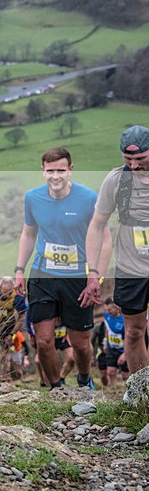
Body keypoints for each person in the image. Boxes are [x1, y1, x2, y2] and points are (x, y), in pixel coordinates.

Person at [14, 148, 112, 390]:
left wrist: (95, 277)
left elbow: (106, 239)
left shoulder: (89, 198)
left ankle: (83, 378)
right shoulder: (32, 198)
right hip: (42, 275)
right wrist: (19, 269)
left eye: (60, 170)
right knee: (44, 341)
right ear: (42, 171)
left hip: (77, 277)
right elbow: (28, 233)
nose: (55, 176)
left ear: (70, 170)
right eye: (50, 171)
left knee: (80, 344)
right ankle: (56, 388)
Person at [81, 125, 149, 377]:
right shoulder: (116, 180)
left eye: (140, 158)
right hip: (132, 268)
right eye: (128, 159)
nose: (133, 164)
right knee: (133, 332)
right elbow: (97, 226)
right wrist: (93, 272)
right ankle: (143, 392)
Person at [101, 297, 130, 384]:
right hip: (112, 348)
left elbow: (130, 336)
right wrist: (106, 342)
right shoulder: (106, 315)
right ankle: (112, 389)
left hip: (125, 349)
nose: (108, 312)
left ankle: (128, 392)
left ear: (116, 307)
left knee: (126, 375)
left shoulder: (124, 318)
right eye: (106, 310)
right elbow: (108, 329)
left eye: (109, 310)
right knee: (110, 371)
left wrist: (125, 353)